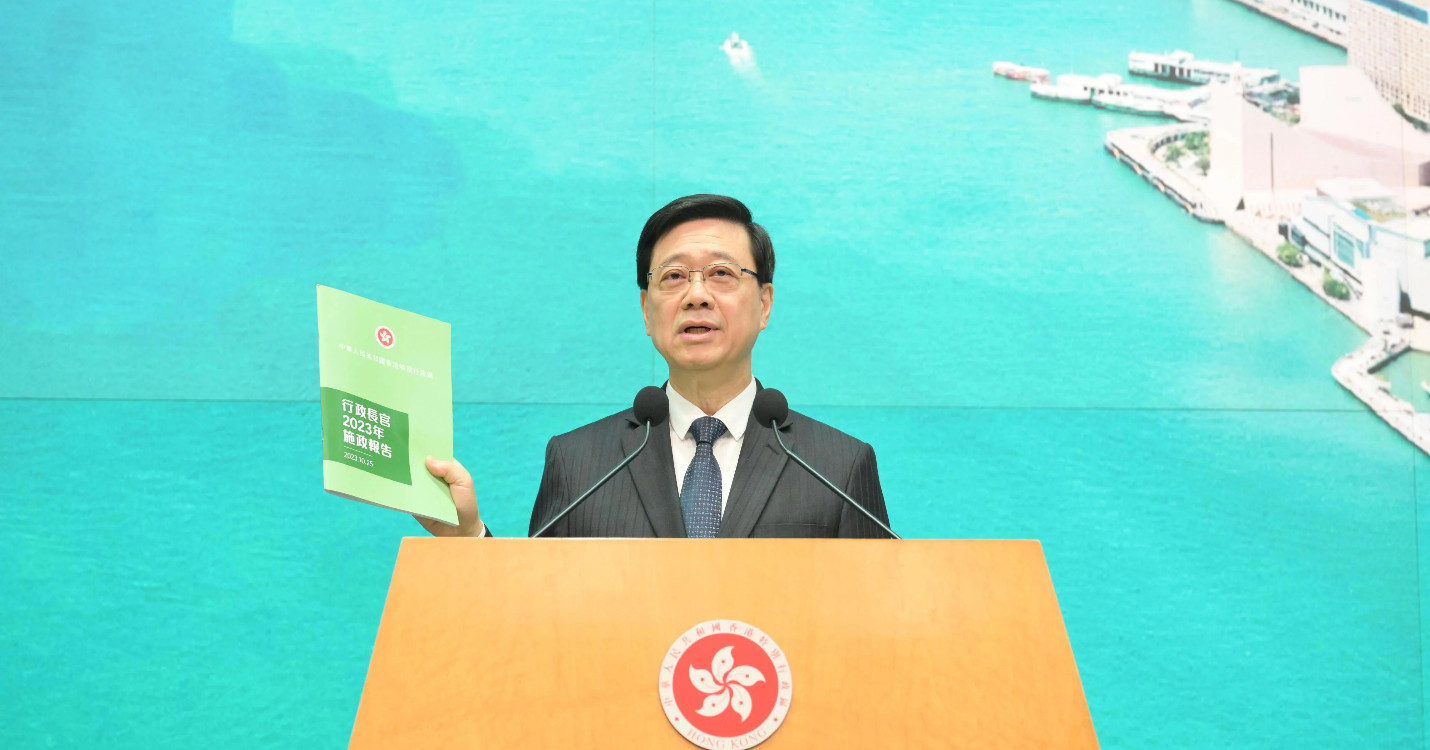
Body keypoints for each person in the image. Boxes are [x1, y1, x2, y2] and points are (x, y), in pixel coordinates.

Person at [415, 194, 891, 538]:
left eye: (722, 274)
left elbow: (879, 631)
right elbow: (536, 624)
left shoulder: (837, 466)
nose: (697, 295)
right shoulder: (579, 464)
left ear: (764, 303)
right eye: (674, 277)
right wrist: (466, 537)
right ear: (647, 310)